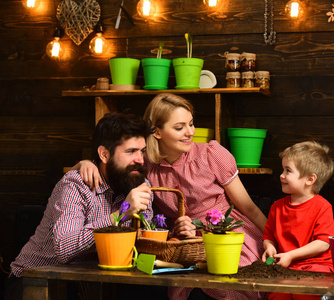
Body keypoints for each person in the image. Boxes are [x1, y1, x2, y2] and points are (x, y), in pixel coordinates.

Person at [77, 93, 267, 300]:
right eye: (179, 127)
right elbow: (111, 162)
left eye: (191, 124)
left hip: (225, 236)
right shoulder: (146, 164)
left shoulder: (211, 154)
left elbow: (249, 208)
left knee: (228, 285)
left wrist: (274, 240)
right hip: (182, 242)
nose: (190, 132)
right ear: (156, 131)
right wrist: (85, 163)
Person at [5, 113, 156, 300]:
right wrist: (121, 214)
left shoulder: (139, 184)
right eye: (130, 151)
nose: (140, 159)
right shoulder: (76, 184)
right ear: (104, 154)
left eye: (142, 151)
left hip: (92, 281)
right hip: (35, 281)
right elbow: (65, 249)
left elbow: (142, 246)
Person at [262, 141, 334, 300]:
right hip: (285, 266)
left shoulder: (323, 207)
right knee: (276, 295)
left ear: (310, 179)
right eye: (283, 169)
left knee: (303, 293)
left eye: (288, 171)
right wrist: (269, 248)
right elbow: (269, 236)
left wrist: (291, 255)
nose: (282, 175)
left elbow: (323, 243)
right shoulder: (277, 207)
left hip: (315, 269)